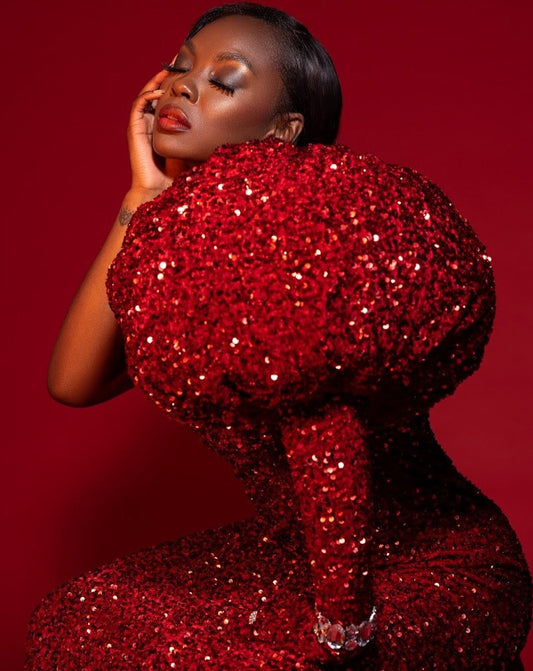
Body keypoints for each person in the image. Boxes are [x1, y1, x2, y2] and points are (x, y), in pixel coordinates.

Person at [25, 3, 531, 670]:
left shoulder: (299, 239)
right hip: (297, 556)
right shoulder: (182, 241)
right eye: (179, 68)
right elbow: (74, 382)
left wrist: (344, 635)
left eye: (222, 80)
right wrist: (142, 194)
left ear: (283, 129)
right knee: (80, 618)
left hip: (424, 566)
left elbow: (326, 436)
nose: (181, 86)